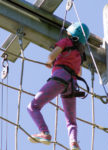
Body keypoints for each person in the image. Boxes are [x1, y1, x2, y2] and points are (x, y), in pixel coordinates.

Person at [27, 22, 90, 150]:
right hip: (72, 85)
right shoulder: (79, 54)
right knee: (71, 120)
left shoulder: (66, 42)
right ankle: (73, 143)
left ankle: (44, 133)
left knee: (33, 106)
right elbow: (79, 72)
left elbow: (52, 55)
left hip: (60, 78)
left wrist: (50, 62)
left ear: (72, 35)